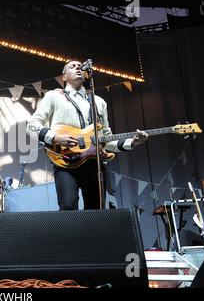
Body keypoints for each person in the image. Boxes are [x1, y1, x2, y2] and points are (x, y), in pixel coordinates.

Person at [26, 60, 148, 210]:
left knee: (96, 209)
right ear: (64, 77)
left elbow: (106, 140)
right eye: (73, 66)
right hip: (66, 161)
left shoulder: (99, 102)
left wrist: (133, 142)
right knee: (68, 206)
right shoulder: (53, 96)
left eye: (80, 66)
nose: (78, 67)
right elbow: (31, 126)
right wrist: (55, 137)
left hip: (94, 163)